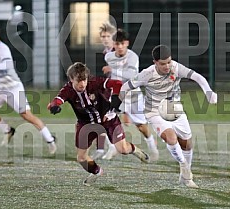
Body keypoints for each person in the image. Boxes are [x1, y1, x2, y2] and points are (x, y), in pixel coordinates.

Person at [120, 45, 218, 188]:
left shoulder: (176, 67)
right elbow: (124, 88)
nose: (167, 66)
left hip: (174, 108)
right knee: (171, 138)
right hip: (154, 111)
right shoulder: (146, 74)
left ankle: (185, 176)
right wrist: (123, 108)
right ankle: (184, 166)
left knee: (187, 143)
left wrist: (209, 92)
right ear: (155, 62)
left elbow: (197, 77)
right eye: (163, 63)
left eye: (169, 62)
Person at [47, 62, 150, 186]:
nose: (82, 84)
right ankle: (97, 171)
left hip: (108, 119)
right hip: (86, 125)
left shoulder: (94, 82)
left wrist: (117, 97)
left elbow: (117, 84)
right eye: (78, 81)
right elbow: (56, 100)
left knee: (122, 149)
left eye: (84, 80)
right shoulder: (68, 90)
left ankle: (134, 150)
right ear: (71, 79)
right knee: (81, 158)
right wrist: (54, 106)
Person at [0, 25, 57, 154]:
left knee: (27, 116)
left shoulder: (3, 48)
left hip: (13, 88)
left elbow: (6, 65)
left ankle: (50, 140)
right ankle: (8, 130)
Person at [102, 29, 159, 161]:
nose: (120, 46)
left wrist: (113, 69)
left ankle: (151, 145)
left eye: (122, 43)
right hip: (117, 95)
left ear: (127, 43)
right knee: (105, 119)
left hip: (133, 95)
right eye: (117, 43)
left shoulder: (133, 57)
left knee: (141, 125)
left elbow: (132, 76)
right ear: (114, 44)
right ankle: (112, 147)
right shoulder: (108, 57)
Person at [90, 21, 117, 160]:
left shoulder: (118, 50)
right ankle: (104, 148)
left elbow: (130, 68)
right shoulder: (106, 51)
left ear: (113, 37)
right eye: (103, 36)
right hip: (110, 89)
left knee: (140, 124)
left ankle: (152, 142)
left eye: (107, 36)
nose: (105, 39)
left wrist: (113, 69)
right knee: (100, 116)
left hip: (121, 89)